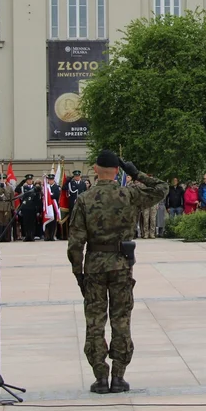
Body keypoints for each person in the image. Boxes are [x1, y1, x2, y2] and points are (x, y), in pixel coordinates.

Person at [68, 151, 168, 394]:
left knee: (95, 321)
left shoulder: (85, 198)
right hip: (122, 265)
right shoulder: (129, 194)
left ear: (95, 168)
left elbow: (75, 242)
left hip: (94, 267)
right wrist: (135, 172)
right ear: (117, 171)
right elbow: (161, 188)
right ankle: (119, 377)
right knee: (121, 319)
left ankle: (100, 376)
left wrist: (78, 273)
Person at [19, 175, 41, 242]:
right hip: (25, 208)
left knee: (32, 223)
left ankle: (31, 236)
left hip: (32, 208)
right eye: (28, 180)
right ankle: (26, 235)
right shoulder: (24, 188)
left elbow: (37, 199)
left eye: (31, 180)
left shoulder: (35, 188)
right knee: (26, 223)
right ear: (26, 181)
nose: (30, 181)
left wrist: (37, 210)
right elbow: (22, 197)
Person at [44, 174, 61, 241]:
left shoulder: (56, 187)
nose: (50, 181)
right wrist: (51, 195)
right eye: (49, 180)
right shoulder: (46, 187)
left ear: (53, 180)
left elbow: (56, 195)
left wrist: (50, 196)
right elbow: (45, 195)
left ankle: (52, 235)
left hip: (54, 206)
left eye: (51, 180)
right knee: (48, 222)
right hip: (48, 206)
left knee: (53, 222)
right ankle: (47, 236)